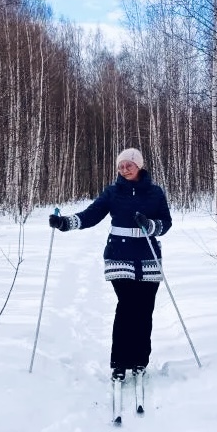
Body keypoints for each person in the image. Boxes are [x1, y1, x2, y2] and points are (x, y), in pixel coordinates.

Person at [48, 148, 172, 382]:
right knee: (127, 307)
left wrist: (151, 225)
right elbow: (91, 215)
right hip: (119, 257)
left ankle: (140, 361)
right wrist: (65, 223)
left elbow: (166, 223)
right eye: (121, 166)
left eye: (129, 165)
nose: (124, 169)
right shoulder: (113, 193)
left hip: (148, 258)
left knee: (144, 311)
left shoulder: (155, 193)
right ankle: (119, 362)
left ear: (139, 166)